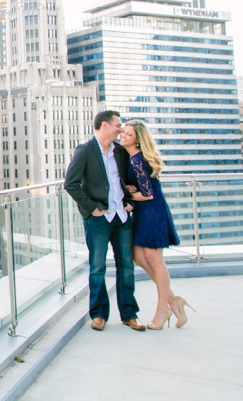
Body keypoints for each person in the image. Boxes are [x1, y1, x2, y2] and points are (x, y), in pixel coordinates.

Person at [65, 110, 145, 332]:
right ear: (103, 125)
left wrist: (131, 203)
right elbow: (71, 184)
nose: (120, 129)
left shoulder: (120, 152)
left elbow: (130, 181)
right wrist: (93, 209)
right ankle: (99, 314)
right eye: (117, 125)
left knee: (126, 267)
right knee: (97, 267)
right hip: (99, 219)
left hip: (122, 217)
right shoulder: (85, 151)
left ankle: (130, 314)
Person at [119, 120, 194, 329]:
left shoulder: (138, 161)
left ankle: (162, 311)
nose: (123, 136)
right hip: (142, 213)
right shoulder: (131, 159)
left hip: (152, 212)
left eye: (128, 134)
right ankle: (173, 300)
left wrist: (129, 193)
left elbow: (148, 194)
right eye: (123, 132)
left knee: (154, 259)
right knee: (139, 257)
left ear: (138, 140)